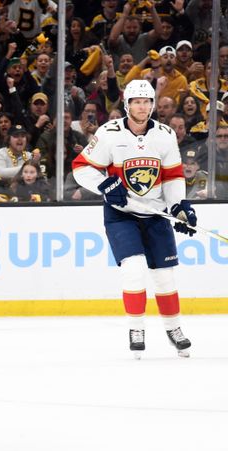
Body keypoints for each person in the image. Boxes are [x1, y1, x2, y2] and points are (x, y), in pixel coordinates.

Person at [72, 79, 195, 360]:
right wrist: (105, 185)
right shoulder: (109, 133)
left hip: (155, 213)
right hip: (121, 215)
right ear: (127, 105)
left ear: (152, 104)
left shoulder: (164, 134)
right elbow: (81, 168)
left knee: (165, 277)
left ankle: (174, 329)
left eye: (146, 101)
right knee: (134, 268)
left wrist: (178, 206)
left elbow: (173, 176)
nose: (142, 106)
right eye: (136, 101)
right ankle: (136, 328)